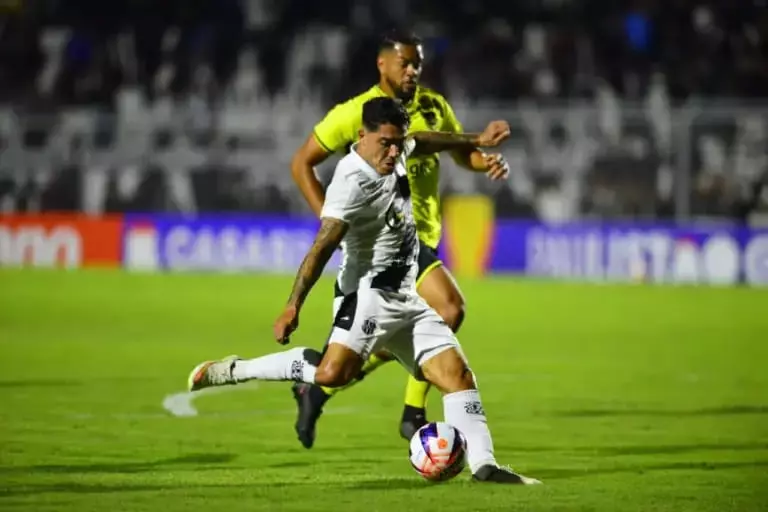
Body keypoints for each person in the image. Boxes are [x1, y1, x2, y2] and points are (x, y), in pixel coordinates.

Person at [188, 97, 540, 485]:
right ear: (362, 135)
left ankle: (485, 467)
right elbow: (322, 247)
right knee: (331, 373)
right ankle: (234, 370)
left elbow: (420, 140)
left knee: (457, 376)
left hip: (407, 294)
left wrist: (476, 138)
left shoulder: (399, 145)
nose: (394, 151)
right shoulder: (351, 183)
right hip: (367, 295)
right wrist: (292, 306)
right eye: (386, 142)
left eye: (397, 142)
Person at [289, 29, 511, 448]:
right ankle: (411, 412)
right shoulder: (355, 113)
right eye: (405, 62)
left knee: (404, 330)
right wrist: (332, 222)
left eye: (418, 64)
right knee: (449, 307)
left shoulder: (433, 106)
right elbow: (302, 163)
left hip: (422, 236)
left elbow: (464, 156)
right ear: (382, 64)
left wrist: (488, 163)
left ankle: (319, 389)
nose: (412, 70)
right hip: (384, 244)